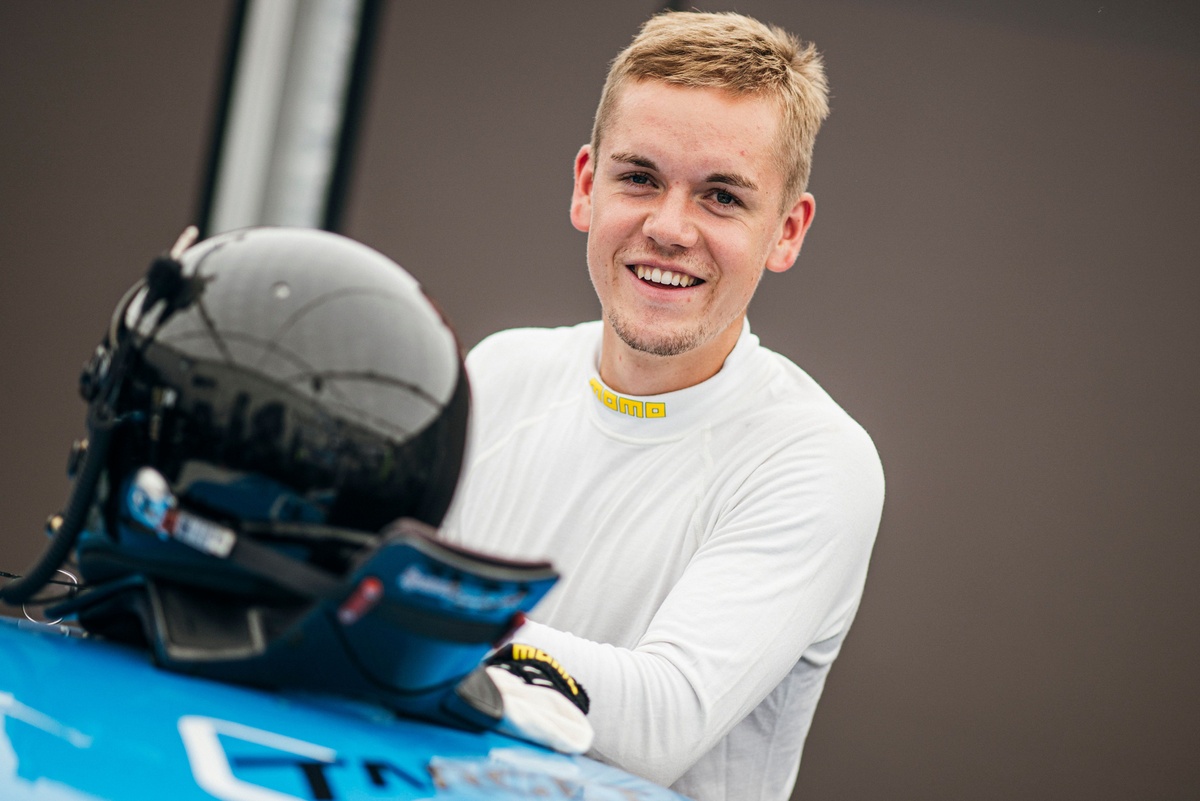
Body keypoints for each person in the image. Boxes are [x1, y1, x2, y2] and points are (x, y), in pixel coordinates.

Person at [439, 10, 884, 800]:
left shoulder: (816, 457)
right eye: (640, 178)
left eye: (722, 196)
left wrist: (409, 614)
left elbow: (658, 724)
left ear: (786, 232)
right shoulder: (500, 372)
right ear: (586, 186)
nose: (670, 228)